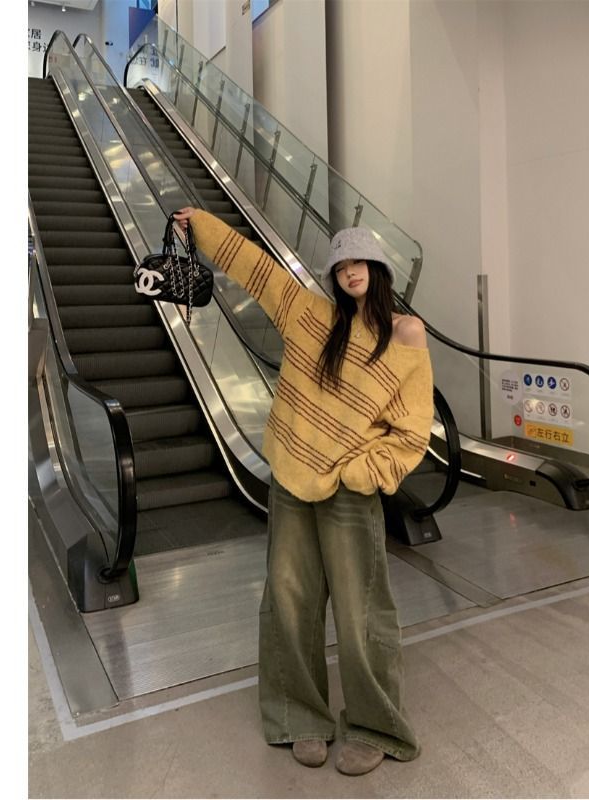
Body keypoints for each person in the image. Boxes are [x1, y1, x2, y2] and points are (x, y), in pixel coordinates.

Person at [174, 207, 433, 775]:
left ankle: (375, 725)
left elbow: (413, 429)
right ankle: (299, 717)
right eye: (341, 265)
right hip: (292, 480)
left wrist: (365, 471)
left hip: (351, 490)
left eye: (361, 261)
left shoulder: (405, 333)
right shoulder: (309, 314)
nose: (351, 271)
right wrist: (203, 225)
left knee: (363, 610)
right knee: (289, 600)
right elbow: (255, 267)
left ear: (379, 269)